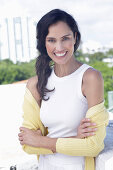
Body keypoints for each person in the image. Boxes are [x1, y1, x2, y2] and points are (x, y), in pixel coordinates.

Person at [18, 9, 109, 170]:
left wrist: (41, 141)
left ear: (74, 37)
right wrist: (75, 138)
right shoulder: (35, 84)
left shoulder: (90, 78)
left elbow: (93, 146)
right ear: (43, 43)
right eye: (51, 40)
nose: (59, 47)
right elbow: (27, 143)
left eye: (65, 38)